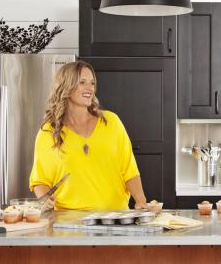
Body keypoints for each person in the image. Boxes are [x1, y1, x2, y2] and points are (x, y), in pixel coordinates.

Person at [29, 61, 149, 211]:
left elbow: (129, 169)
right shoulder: (49, 132)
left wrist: (141, 201)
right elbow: (40, 179)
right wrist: (45, 199)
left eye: (92, 83)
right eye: (82, 82)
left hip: (114, 219)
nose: (89, 88)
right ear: (66, 86)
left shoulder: (111, 122)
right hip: (68, 223)